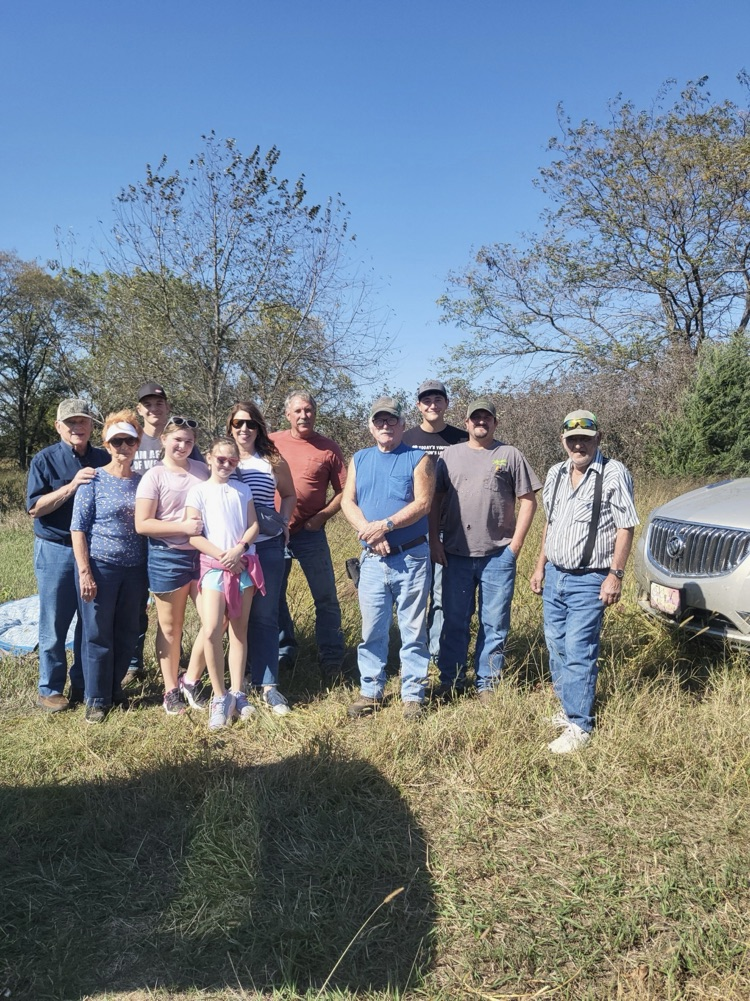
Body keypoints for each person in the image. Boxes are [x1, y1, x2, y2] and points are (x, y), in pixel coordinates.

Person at [530, 410, 639, 754]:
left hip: (591, 578)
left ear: (598, 439)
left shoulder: (612, 472)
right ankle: (567, 708)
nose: (578, 445)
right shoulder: (556, 473)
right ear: (563, 440)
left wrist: (615, 575)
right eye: (572, 438)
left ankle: (580, 725)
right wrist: (539, 567)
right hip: (556, 577)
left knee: (580, 649)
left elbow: (626, 526)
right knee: (556, 645)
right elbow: (551, 523)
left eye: (585, 439)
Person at [432, 397, 540, 702]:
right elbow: (435, 501)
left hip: (497, 556)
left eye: (486, 418)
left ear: (495, 422)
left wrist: (515, 547)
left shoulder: (509, 454)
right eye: (475, 418)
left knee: (494, 623)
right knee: (454, 620)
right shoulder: (449, 455)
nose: (481, 422)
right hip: (455, 554)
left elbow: (529, 500)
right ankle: (450, 680)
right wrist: (434, 541)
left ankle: (487, 683)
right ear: (466, 423)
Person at [341, 396, 435, 720]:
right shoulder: (359, 459)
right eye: (379, 420)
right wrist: (369, 531)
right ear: (370, 425)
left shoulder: (418, 458)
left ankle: (412, 695)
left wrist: (387, 525)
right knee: (373, 629)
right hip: (372, 561)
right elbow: (347, 502)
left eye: (391, 420)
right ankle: (370, 690)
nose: (385, 425)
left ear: (402, 425)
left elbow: (423, 503)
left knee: (412, 628)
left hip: (411, 558)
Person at [27, 398, 109, 711]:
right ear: (59, 426)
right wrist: (71, 486)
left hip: (94, 550)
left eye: (83, 421)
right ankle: (49, 689)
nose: (77, 427)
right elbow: (35, 508)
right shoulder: (44, 460)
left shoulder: (104, 457)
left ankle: (83, 684)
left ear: (91, 426)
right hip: (56, 550)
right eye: (70, 422)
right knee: (55, 622)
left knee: (91, 621)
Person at [71, 411, 148, 723]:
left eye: (129, 440)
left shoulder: (144, 482)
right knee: (98, 635)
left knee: (128, 631)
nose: (123, 446)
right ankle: (97, 699)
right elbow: (78, 529)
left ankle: (115, 689)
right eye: (117, 440)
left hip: (135, 569)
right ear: (106, 443)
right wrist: (85, 571)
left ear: (137, 444)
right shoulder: (94, 479)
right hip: (102, 567)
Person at [126, 381, 203, 684]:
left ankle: (178, 665)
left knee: (170, 611)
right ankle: (134, 662)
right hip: (136, 532)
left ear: (167, 406)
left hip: (178, 540)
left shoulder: (184, 442)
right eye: (147, 404)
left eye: (159, 403)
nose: (153, 408)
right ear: (139, 409)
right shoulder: (131, 440)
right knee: (136, 603)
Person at [186, 437, 264, 731]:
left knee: (238, 631)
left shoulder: (243, 490)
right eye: (221, 459)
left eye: (233, 461)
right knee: (210, 631)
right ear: (209, 458)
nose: (227, 465)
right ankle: (219, 696)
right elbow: (194, 535)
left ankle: (237, 693)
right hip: (214, 570)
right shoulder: (198, 492)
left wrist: (239, 548)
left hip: (243, 566)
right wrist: (223, 555)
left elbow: (253, 525)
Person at [135, 416, 210, 715]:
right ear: (164, 440)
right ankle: (170, 691)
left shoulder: (203, 471)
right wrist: (182, 526)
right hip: (168, 557)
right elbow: (142, 524)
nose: (183, 445)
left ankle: (190, 679)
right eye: (177, 439)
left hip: (203, 555)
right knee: (170, 628)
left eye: (189, 441)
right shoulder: (153, 476)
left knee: (216, 621)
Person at [270, 390, 347, 681]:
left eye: (309, 410)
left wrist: (322, 517)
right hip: (275, 534)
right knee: (274, 597)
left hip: (310, 533)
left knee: (325, 597)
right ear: (288, 414)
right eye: (298, 410)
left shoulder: (328, 448)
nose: (304, 415)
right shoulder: (271, 442)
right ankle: (284, 651)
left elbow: (345, 491)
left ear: (315, 413)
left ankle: (332, 658)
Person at [227, 402, 296, 715]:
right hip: (230, 551)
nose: (244, 430)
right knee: (234, 617)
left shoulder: (272, 460)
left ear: (259, 428)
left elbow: (290, 494)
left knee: (266, 616)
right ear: (230, 427)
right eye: (238, 424)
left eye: (250, 424)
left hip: (267, 547)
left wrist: (284, 522)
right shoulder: (221, 458)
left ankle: (268, 685)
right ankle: (236, 685)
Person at [403, 379, 468, 664]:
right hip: (412, 532)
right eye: (426, 400)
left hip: (451, 529)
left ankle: (437, 654)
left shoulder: (462, 438)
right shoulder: (404, 439)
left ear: (446, 404)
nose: (432, 405)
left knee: (442, 597)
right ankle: (412, 655)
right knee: (415, 597)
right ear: (418, 406)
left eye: (437, 400)